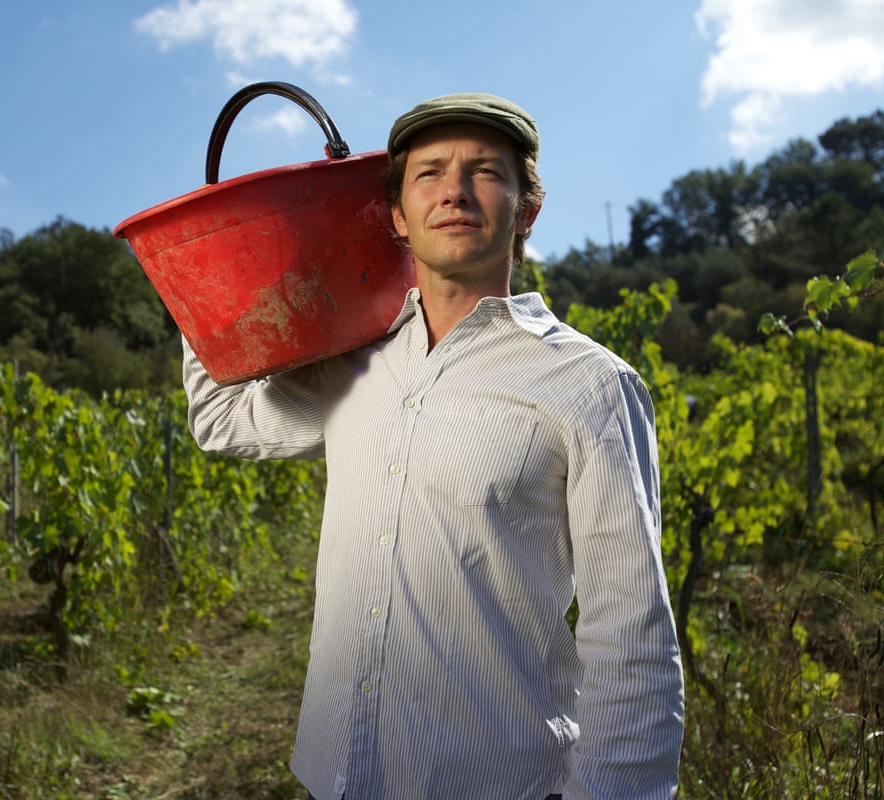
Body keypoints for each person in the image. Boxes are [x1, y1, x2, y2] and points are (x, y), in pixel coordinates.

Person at [182, 92, 685, 799]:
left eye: (485, 171)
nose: (454, 190)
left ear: (526, 210)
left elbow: (632, 638)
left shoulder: (590, 385)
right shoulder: (352, 364)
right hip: (337, 775)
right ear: (396, 216)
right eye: (429, 173)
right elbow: (221, 418)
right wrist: (211, 270)